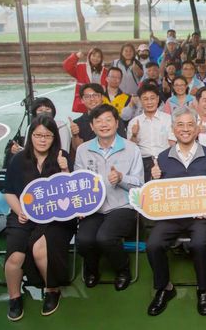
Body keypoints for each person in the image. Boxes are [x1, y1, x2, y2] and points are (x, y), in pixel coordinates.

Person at [146, 106, 206, 316]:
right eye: (180, 124)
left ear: (197, 128)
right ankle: (164, 288)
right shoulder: (161, 158)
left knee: (199, 243)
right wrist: (154, 178)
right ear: (173, 128)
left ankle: (203, 289)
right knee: (153, 244)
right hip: (171, 215)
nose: (185, 129)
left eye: (190, 125)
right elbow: (152, 195)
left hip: (200, 216)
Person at [3, 115, 75, 320]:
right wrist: (20, 212)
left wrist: (64, 169)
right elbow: (9, 192)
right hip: (23, 215)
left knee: (41, 248)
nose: (42, 140)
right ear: (30, 136)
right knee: (15, 255)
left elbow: (71, 193)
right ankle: (14, 297)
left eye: (48, 135)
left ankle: (51, 290)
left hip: (56, 216)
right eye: (37, 135)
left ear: (54, 138)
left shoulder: (62, 157)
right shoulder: (18, 160)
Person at [74, 104, 144, 291]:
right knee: (85, 240)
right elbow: (78, 183)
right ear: (92, 126)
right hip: (93, 208)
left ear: (116, 122)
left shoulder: (131, 149)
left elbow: (139, 185)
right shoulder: (83, 150)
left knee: (105, 238)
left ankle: (123, 270)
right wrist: (79, 206)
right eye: (98, 121)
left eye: (108, 120)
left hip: (122, 206)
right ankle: (92, 269)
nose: (104, 125)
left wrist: (122, 178)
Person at [128, 83, 175, 182]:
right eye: (145, 99)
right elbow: (131, 149)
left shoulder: (168, 119)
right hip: (143, 163)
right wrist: (134, 135)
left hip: (166, 160)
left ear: (158, 99)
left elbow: (173, 144)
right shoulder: (134, 122)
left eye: (152, 98)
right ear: (140, 101)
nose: (149, 102)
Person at [70, 83, 126, 152]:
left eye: (95, 95)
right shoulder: (77, 123)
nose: (92, 99)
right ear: (82, 100)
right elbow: (78, 149)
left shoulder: (114, 118)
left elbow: (123, 143)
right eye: (87, 96)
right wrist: (75, 135)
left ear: (102, 97)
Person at [62, 48, 108, 113]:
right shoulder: (81, 68)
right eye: (94, 55)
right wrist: (76, 56)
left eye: (98, 57)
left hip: (99, 102)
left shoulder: (105, 71)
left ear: (101, 59)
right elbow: (67, 66)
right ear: (89, 56)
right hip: (85, 103)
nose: (95, 58)